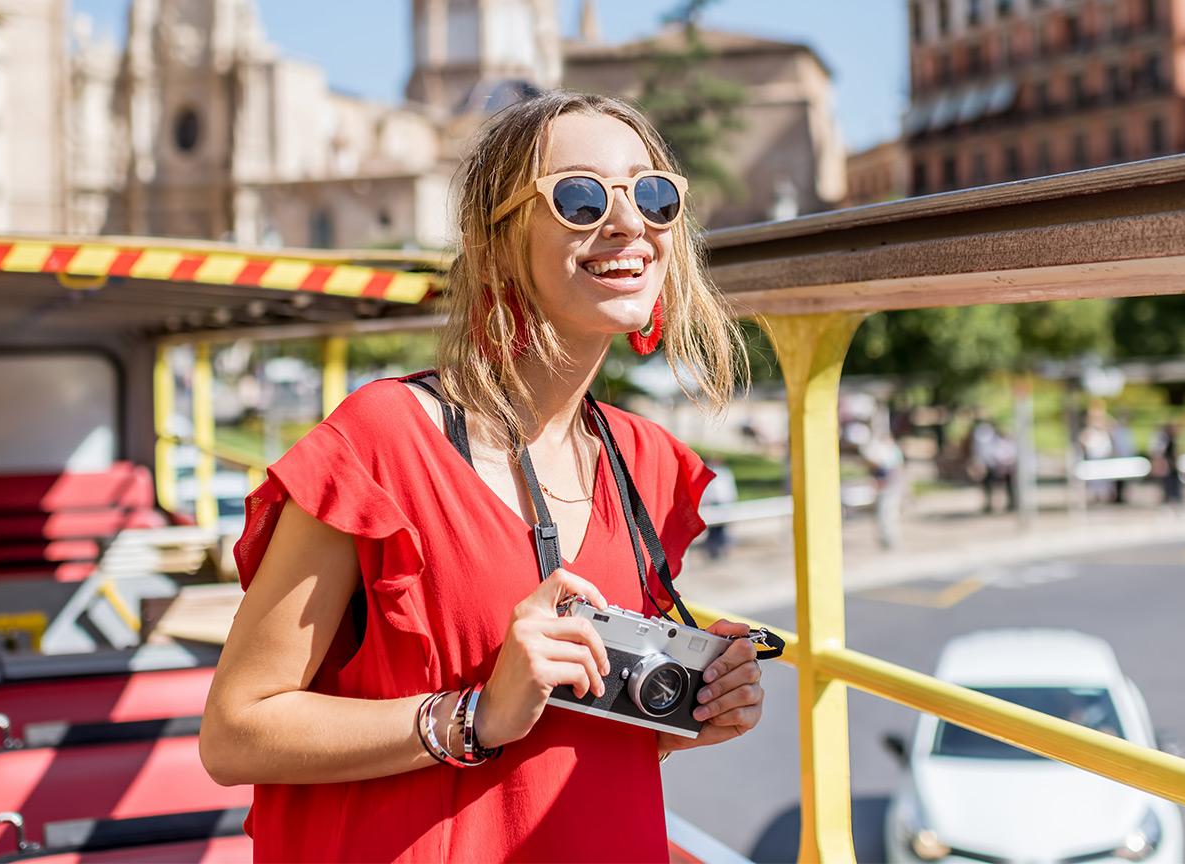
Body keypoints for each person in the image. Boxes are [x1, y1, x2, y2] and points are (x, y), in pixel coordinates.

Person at [201, 93, 765, 862]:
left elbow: (563, 743)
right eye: (580, 197)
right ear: (497, 241)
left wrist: (686, 710)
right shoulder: (382, 443)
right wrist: (475, 716)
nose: (630, 223)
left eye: (653, 193)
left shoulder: (651, 467)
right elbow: (235, 732)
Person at [701, 459, 738, 560]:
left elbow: (729, 489)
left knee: (721, 528)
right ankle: (714, 549)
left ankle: (720, 548)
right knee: (713, 529)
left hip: (722, 503)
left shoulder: (724, 473)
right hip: (712, 504)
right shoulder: (708, 472)